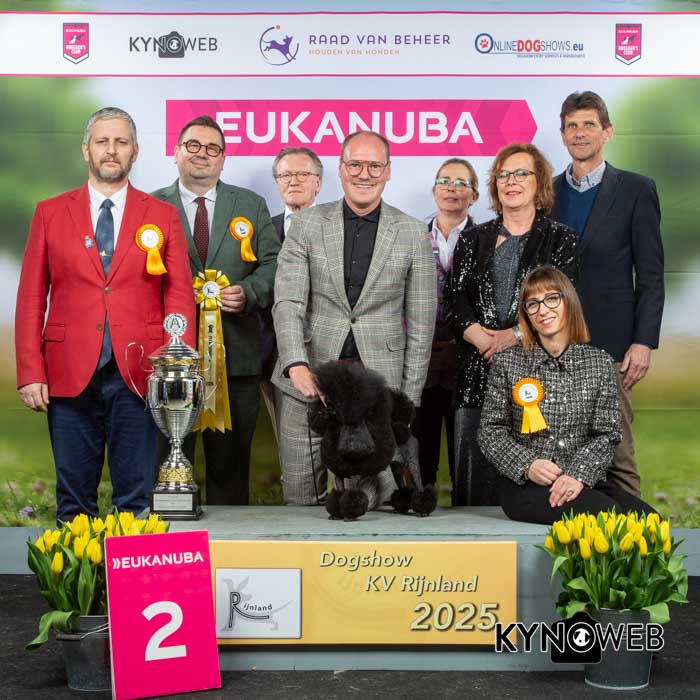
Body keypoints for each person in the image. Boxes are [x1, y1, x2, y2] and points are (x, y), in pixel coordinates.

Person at [15, 107, 195, 522]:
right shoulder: (49, 212)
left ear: (135, 152)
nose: (111, 150)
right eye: (102, 141)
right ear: (86, 150)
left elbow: (179, 296)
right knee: (73, 502)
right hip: (67, 375)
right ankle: (75, 568)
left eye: (121, 142)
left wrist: (175, 368)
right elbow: (31, 298)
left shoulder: (162, 215)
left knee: (135, 502)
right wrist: (30, 371)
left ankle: (131, 568)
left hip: (141, 375)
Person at [272, 130, 437, 505]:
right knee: (300, 495)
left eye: (374, 166)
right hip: (308, 380)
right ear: (341, 168)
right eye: (356, 164)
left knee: (374, 501)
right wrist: (296, 365)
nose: (365, 174)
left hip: (379, 386)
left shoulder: (412, 232)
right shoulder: (307, 225)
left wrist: (407, 400)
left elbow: (422, 323)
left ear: (388, 171)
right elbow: (287, 302)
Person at [152, 114, 280, 505]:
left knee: (231, 471)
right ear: (176, 152)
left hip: (236, 359)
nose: (202, 154)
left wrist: (250, 292)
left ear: (223, 159)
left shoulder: (251, 205)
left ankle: (231, 543)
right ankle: (172, 539)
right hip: (169, 361)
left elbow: (275, 263)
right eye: (193, 145)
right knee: (168, 468)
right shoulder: (150, 206)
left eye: (213, 148)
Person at [444, 143, 577, 506]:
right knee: (473, 488)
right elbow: (454, 297)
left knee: (532, 491)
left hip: (538, 377)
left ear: (540, 183)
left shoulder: (561, 239)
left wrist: (515, 335)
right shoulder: (472, 239)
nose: (510, 181)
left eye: (521, 173)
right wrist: (478, 336)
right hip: (477, 373)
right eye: (503, 174)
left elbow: (564, 302)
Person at [551, 91, 664, 497]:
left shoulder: (636, 189)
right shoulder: (546, 193)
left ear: (608, 132)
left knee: (616, 454)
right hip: (553, 345)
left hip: (611, 346)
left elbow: (650, 274)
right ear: (562, 135)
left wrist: (643, 341)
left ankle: (633, 530)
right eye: (571, 126)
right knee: (558, 452)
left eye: (589, 124)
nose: (579, 133)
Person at [478, 266, 655, 524]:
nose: (542, 310)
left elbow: (607, 434)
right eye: (533, 304)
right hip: (525, 486)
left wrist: (577, 475)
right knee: (608, 515)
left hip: (582, 480)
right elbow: (490, 432)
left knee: (650, 520)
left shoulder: (600, 363)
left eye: (551, 299)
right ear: (526, 315)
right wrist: (528, 464)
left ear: (568, 302)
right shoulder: (507, 362)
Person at [413, 158, 478, 500]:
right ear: (434, 190)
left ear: (474, 195)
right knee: (418, 460)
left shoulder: (488, 239)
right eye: (445, 181)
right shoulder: (410, 236)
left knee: (465, 463)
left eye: (461, 183)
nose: (452, 188)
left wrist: (460, 345)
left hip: (468, 366)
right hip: (419, 366)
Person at [260, 147, 323, 442]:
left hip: (325, 349)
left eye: (302, 174)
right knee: (287, 442)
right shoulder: (260, 230)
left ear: (318, 182)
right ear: (277, 182)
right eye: (286, 175)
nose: (294, 181)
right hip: (272, 352)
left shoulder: (336, 227)